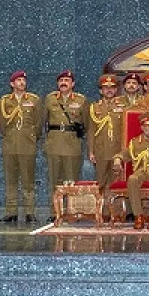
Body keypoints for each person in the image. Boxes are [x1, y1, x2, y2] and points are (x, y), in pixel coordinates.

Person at [0, 70, 43, 223]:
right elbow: (2, 124)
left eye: (23, 80)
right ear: (12, 84)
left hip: (27, 144)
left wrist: (31, 137)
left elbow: (38, 123)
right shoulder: (5, 101)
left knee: (28, 180)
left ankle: (30, 211)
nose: (22, 83)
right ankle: (11, 211)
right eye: (18, 80)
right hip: (10, 145)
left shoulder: (34, 100)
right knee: (10, 180)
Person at [43, 69, 87, 216]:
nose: (63, 83)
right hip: (54, 143)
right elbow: (43, 120)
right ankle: (55, 212)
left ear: (73, 83)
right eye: (61, 81)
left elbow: (86, 123)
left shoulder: (81, 100)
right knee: (54, 180)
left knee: (72, 180)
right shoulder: (50, 99)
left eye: (67, 81)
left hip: (72, 144)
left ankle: (71, 211)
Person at [88, 74, 129, 194]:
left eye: (112, 87)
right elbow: (91, 131)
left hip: (118, 150)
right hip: (100, 149)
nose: (109, 90)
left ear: (116, 90)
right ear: (101, 90)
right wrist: (91, 151)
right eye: (106, 87)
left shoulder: (123, 106)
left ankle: (116, 212)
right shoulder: (95, 107)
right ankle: (102, 211)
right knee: (100, 182)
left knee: (117, 182)